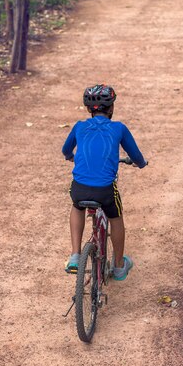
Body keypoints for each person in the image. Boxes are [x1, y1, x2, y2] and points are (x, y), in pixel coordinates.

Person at [61, 84, 148, 281]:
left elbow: (66, 150)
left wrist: (70, 157)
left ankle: (75, 255)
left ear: (88, 109)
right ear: (111, 108)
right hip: (105, 191)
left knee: (76, 206)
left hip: (80, 188)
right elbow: (136, 156)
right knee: (116, 217)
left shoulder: (79, 126)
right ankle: (118, 266)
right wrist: (141, 164)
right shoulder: (119, 128)